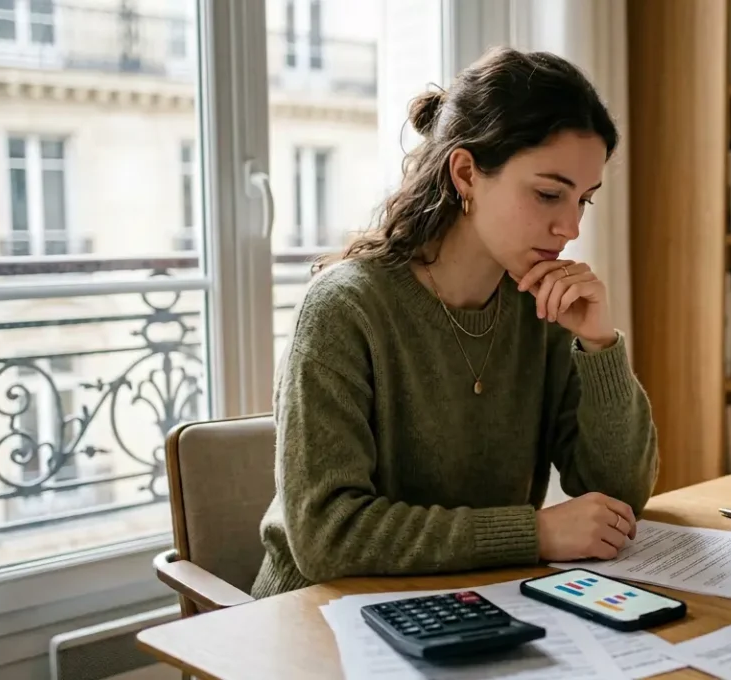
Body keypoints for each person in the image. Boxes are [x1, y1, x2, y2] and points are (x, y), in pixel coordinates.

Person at [250, 47, 659, 598]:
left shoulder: (539, 304)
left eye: (583, 200)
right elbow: (326, 536)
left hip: (471, 601)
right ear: (465, 173)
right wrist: (533, 533)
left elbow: (619, 498)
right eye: (548, 194)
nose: (570, 227)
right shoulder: (345, 308)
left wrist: (600, 345)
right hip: (317, 619)